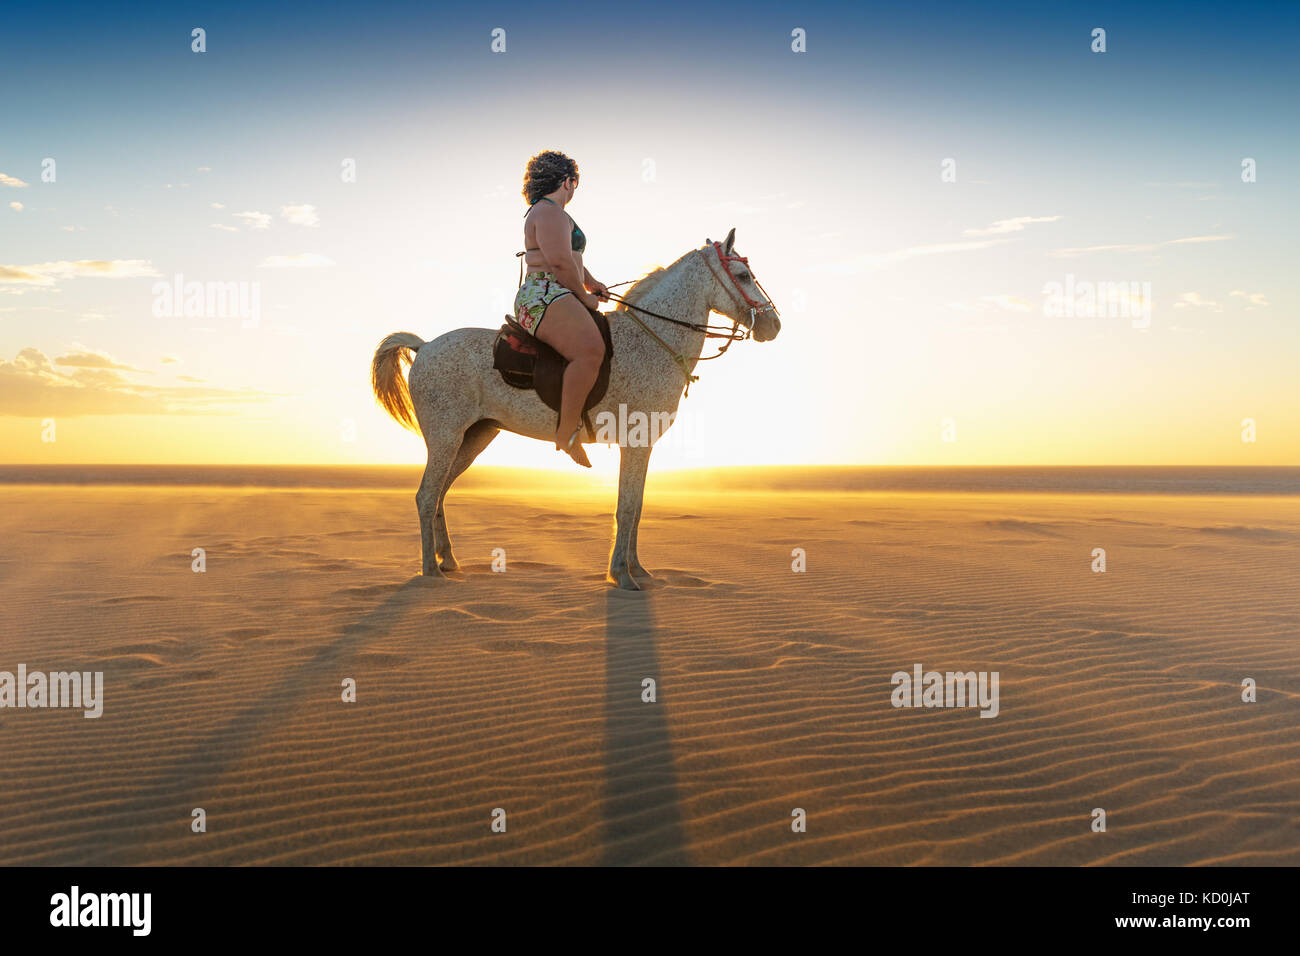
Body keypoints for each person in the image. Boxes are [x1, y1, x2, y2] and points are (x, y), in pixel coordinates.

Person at [514, 150, 609, 468]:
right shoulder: (550, 212)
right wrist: (584, 297)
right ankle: (567, 432)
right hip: (543, 294)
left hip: (556, 289)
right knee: (590, 351)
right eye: (575, 183)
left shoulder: (551, 213)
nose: (574, 189)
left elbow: (570, 259)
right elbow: (557, 262)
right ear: (568, 181)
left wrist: (592, 282)